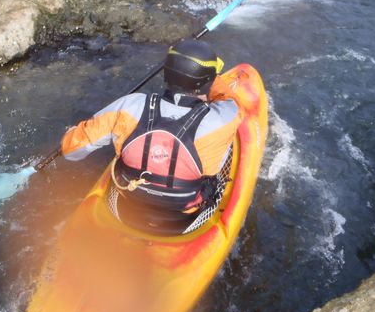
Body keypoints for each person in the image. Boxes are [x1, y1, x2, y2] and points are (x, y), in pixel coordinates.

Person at [60, 40, 243, 234]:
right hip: (185, 216)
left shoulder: (130, 106)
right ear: (208, 81)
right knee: (225, 148)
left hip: (127, 204)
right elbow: (229, 98)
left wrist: (72, 133)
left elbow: (70, 152)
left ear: (165, 72)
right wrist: (210, 77)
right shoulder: (223, 116)